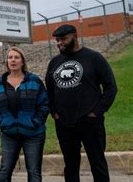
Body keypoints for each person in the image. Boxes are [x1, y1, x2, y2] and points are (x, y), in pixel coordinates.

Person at [45, 24, 117, 182]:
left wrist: (96, 113)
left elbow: (110, 87)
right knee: (70, 167)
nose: (59, 43)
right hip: (64, 124)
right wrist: (55, 114)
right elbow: (48, 92)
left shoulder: (94, 58)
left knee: (98, 165)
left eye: (63, 39)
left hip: (91, 123)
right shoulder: (54, 63)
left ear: (75, 36)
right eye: (57, 40)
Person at [0, 47, 49, 182]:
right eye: (10, 57)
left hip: (33, 134)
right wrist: (2, 123)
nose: (13, 60)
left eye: (16, 57)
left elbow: (44, 104)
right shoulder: (0, 83)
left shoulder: (34, 80)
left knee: (34, 172)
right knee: (5, 171)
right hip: (9, 134)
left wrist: (34, 123)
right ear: (7, 62)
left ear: (22, 61)